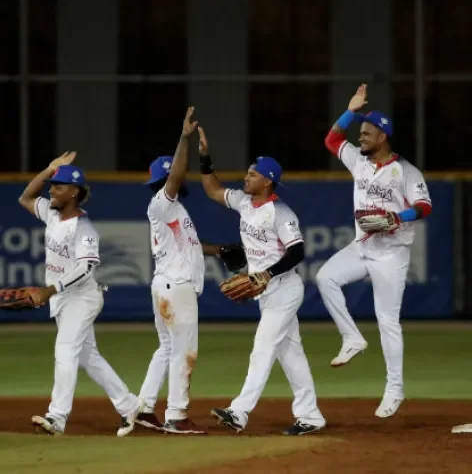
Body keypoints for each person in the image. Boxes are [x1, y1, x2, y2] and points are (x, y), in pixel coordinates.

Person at [196, 127, 327, 436]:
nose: (246, 177)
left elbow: (298, 251)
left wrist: (267, 273)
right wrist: (204, 158)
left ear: (267, 181)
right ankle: (310, 415)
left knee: (263, 347)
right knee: (290, 353)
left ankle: (239, 412)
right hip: (265, 292)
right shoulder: (243, 202)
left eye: (253, 174)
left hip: (284, 289)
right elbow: (213, 190)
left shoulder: (281, 212)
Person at [316, 83, 433, 418]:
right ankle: (352, 338)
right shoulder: (359, 161)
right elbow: (331, 140)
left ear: (382, 136)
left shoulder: (406, 172)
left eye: (367, 133)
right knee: (326, 278)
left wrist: (398, 216)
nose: (361, 137)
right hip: (363, 246)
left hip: (392, 253)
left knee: (387, 320)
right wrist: (350, 110)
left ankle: (394, 389)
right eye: (361, 132)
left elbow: (425, 206)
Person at [18, 152, 144, 437]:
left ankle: (57, 416)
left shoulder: (84, 228)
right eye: (52, 184)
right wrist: (49, 168)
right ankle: (129, 405)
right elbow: (25, 198)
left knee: (65, 350)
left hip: (83, 298)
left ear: (74, 192)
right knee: (89, 357)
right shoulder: (51, 213)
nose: (51, 189)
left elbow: (85, 268)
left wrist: (49, 289)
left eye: (58, 186)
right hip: (64, 298)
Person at [134, 107, 243, 435]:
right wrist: (184, 138)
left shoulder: (174, 210)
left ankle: (142, 408)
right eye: (169, 178)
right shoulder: (161, 202)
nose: (173, 181)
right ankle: (177, 415)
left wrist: (219, 250)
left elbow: (190, 244)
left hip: (167, 286)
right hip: (176, 287)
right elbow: (177, 177)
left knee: (167, 348)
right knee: (184, 350)